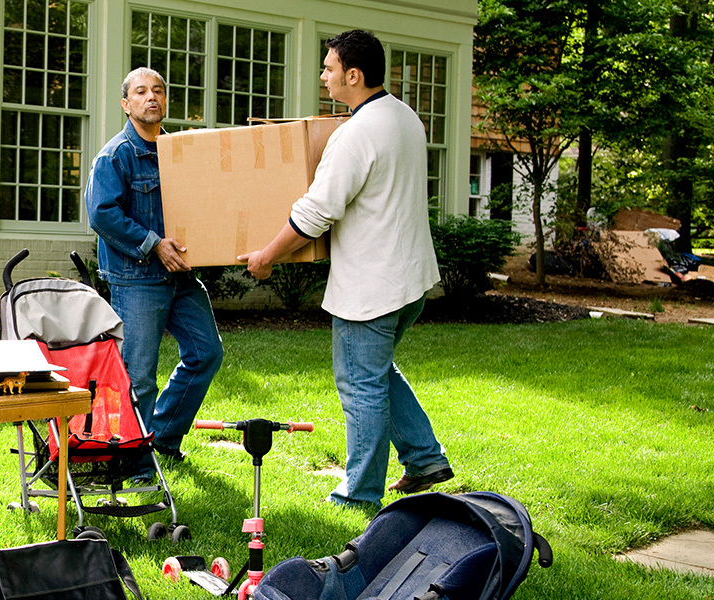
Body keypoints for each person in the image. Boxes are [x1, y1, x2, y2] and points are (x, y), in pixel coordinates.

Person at [237, 30, 452, 508]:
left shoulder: (356, 134)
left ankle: (360, 493)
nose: (323, 75)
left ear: (353, 75)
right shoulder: (405, 118)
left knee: (361, 385)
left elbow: (316, 212)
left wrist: (267, 256)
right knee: (376, 373)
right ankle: (424, 457)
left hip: (371, 287)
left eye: (329, 67)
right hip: (410, 280)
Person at [85, 67, 224, 471]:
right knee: (139, 374)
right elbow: (101, 214)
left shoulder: (179, 153)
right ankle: (133, 460)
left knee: (206, 352)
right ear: (127, 104)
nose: (152, 98)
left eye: (159, 91)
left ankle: (161, 436)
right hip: (137, 277)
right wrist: (152, 244)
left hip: (180, 275)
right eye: (141, 92)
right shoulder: (115, 156)